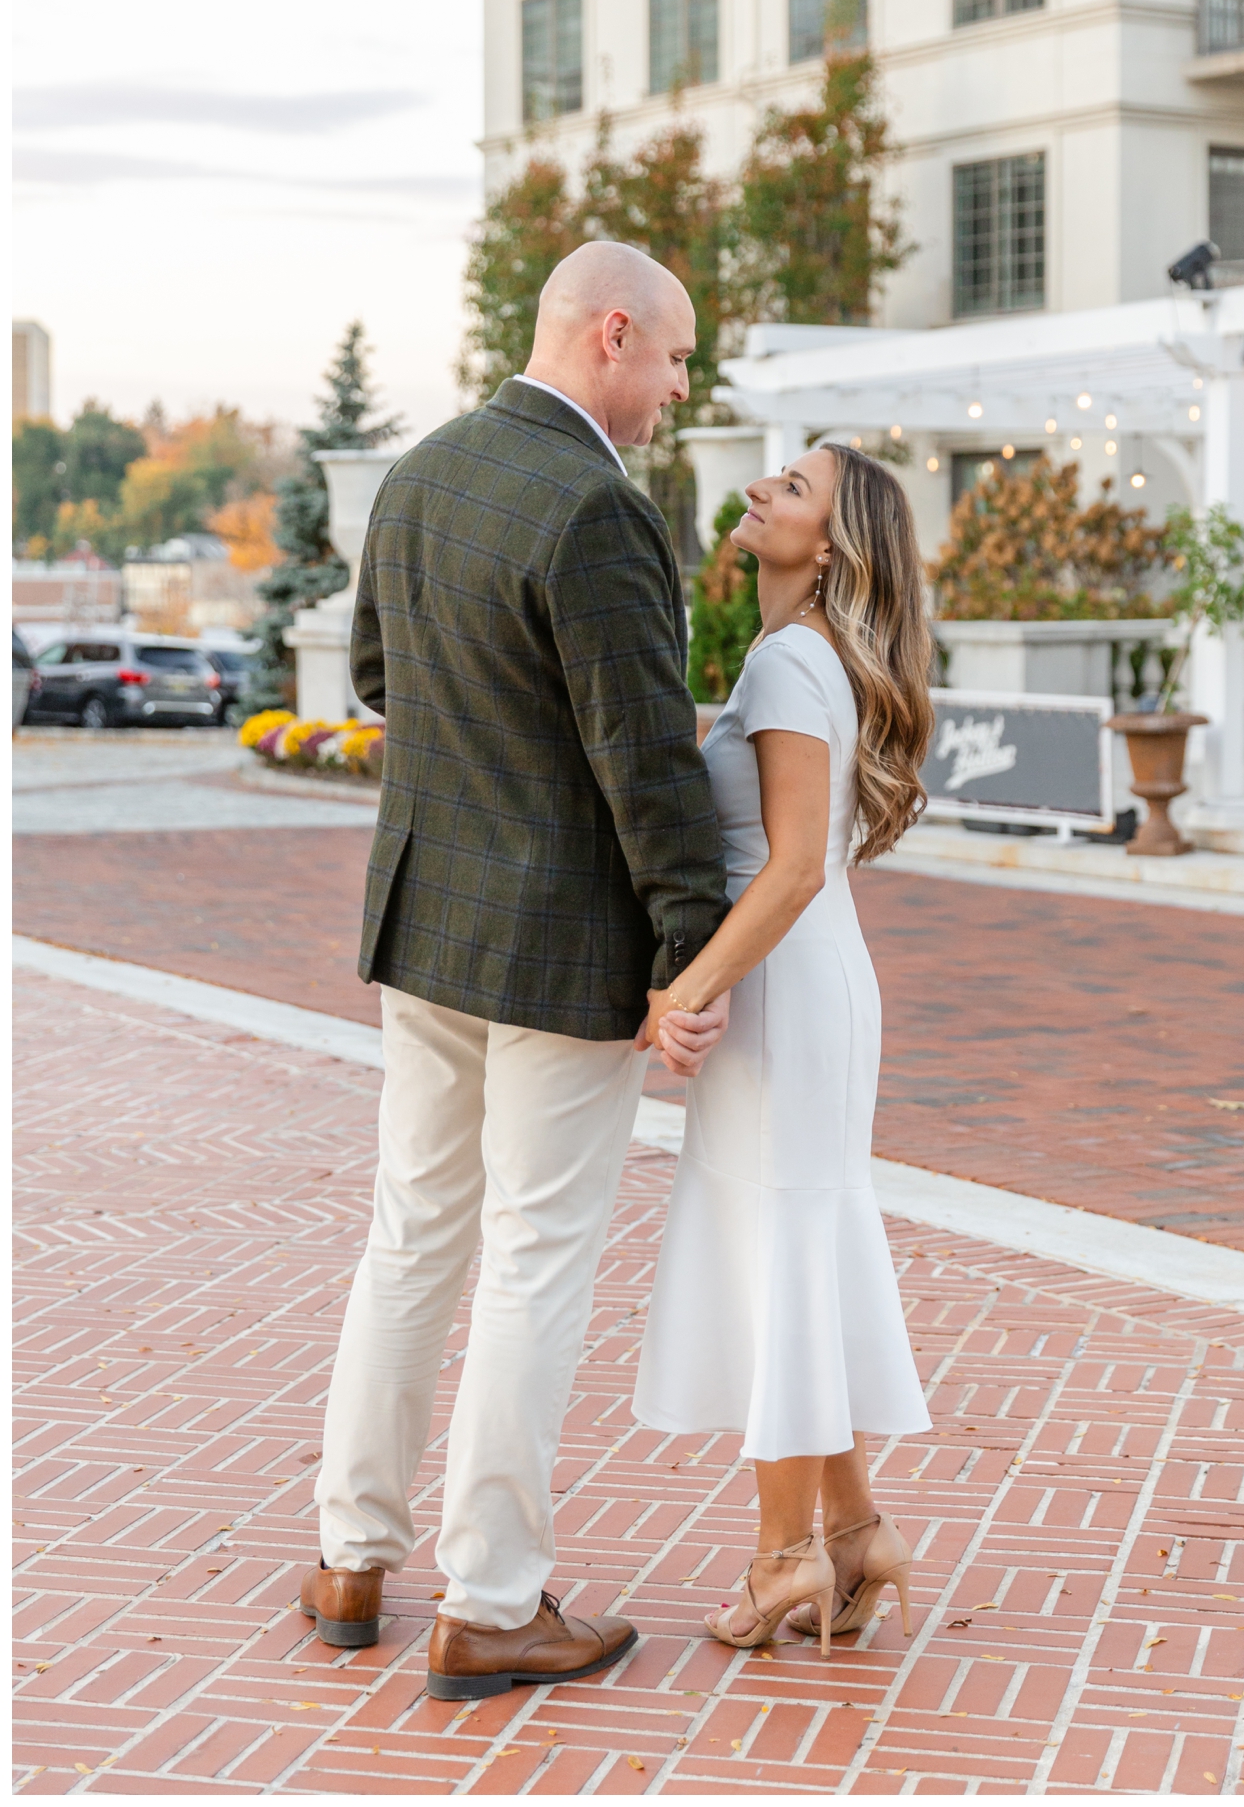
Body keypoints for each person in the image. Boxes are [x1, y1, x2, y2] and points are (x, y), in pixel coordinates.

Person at [300, 242, 731, 1701]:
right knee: (535, 1263)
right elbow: (648, 763)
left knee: (411, 1234)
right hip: (557, 947)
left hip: (427, 925)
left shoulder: (421, 474)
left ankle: (351, 1554)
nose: (679, 387)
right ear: (612, 332)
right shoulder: (598, 510)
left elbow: (376, 677)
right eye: (674, 357)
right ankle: (489, 1599)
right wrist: (690, 955)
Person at [632, 442, 935, 1655]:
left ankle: (780, 1561)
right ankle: (852, 1534)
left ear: (834, 544)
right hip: (798, 986)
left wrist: (683, 994)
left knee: (784, 1261)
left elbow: (797, 863)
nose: (761, 487)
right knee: (791, 1255)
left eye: (793, 488)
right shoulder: (790, 655)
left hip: (786, 988)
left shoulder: (797, 662)